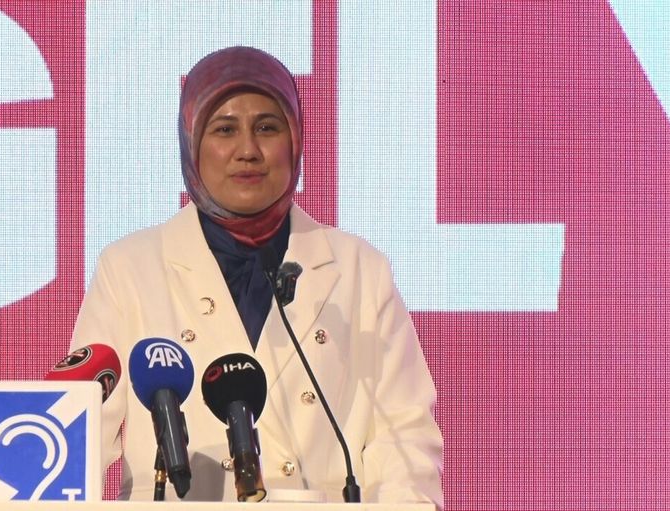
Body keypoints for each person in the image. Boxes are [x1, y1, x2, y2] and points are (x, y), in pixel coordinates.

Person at [70, 46, 443, 506]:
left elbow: (405, 439)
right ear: (191, 142)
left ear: (296, 139)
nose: (247, 151)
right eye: (224, 129)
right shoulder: (130, 267)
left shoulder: (359, 269)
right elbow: (78, 436)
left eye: (267, 128)